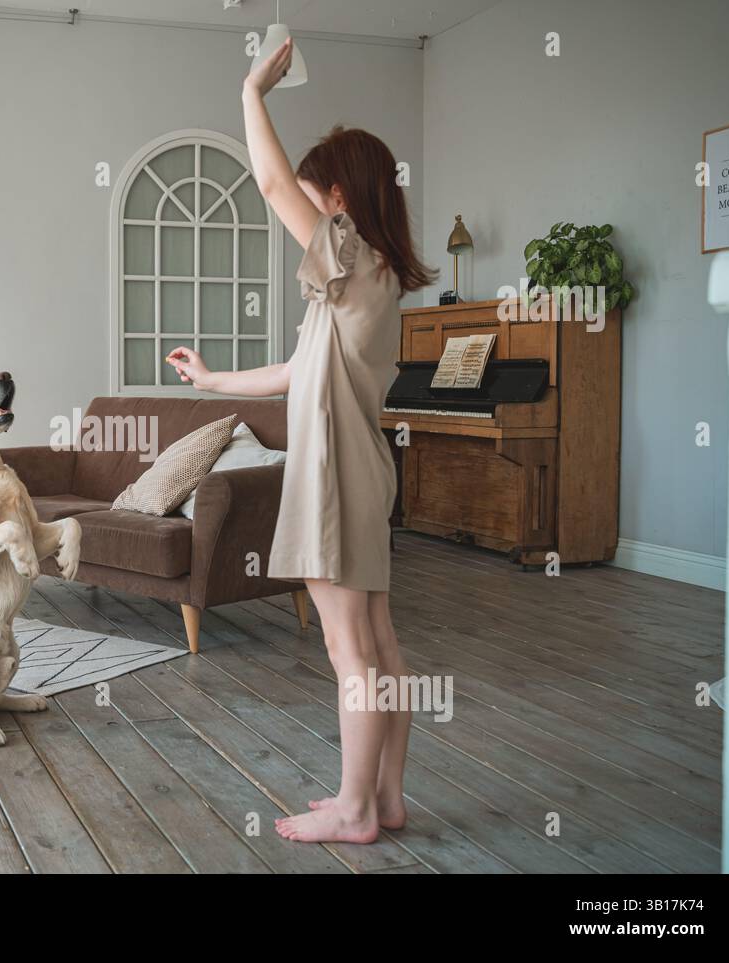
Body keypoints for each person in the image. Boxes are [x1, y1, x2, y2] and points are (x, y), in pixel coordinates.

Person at [166, 38, 436, 844]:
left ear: (342, 199)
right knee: (378, 645)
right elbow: (294, 371)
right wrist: (213, 382)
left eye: (321, 197)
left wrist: (253, 90)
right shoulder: (360, 280)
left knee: (352, 650)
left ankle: (356, 809)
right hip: (359, 471)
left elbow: (271, 181)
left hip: (336, 476)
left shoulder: (351, 255)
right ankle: (383, 799)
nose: (309, 208)